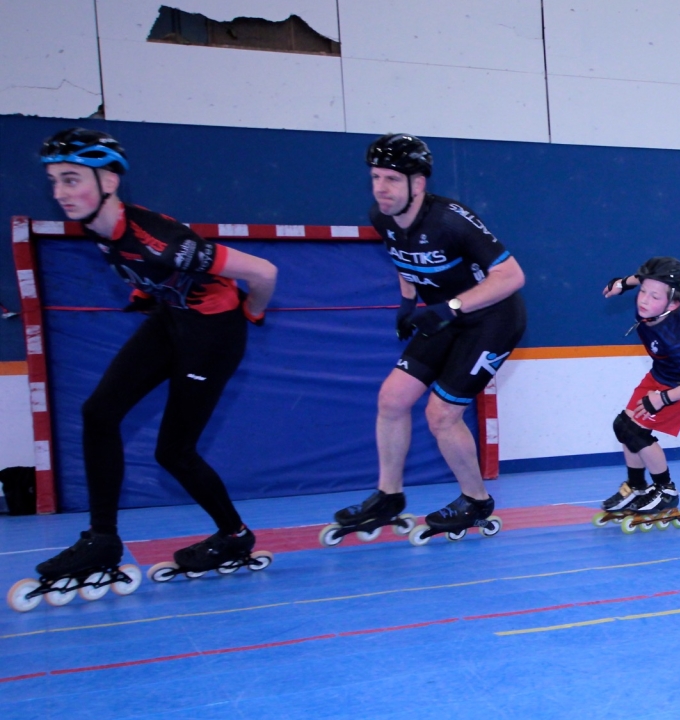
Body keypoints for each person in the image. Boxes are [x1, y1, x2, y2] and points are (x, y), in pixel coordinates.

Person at [34, 128, 278, 589]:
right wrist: (148, 291)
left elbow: (264, 271)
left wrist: (255, 311)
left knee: (173, 451)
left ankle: (234, 535)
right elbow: (149, 271)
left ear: (108, 181)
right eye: (53, 181)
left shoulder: (160, 240)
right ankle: (102, 538)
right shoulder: (101, 228)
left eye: (71, 179)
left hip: (213, 336)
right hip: (173, 320)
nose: (60, 193)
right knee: (98, 412)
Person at [328, 133, 526, 545]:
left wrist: (451, 307)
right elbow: (404, 260)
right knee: (392, 398)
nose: (380, 189)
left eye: (391, 180)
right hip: (444, 316)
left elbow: (512, 277)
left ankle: (475, 500)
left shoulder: (451, 219)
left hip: (492, 319)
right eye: (375, 177)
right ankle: (389, 496)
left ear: (418, 184)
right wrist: (407, 303)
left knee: (441, 414)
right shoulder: (381, 217)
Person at [596, 257, 680, 532]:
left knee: (636, 433)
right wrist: (623, 284)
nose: (643, 299)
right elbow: (645, 278)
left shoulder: (676, 337)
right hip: (659, 374)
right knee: (623, 427)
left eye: (653, 296)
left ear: (673, 303)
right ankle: (636, 487)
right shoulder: (656, 303)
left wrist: (662, 399)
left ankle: (665, 489)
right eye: (643, 291)